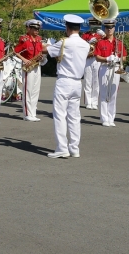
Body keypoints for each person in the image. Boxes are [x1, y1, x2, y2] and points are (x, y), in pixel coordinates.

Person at [46, 14, 90, 158]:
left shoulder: (64, 42)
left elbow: (47, 51)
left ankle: (62, 148)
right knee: (74, 117)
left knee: (60, 115)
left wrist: (48, 44)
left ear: (67, 28)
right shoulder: (86, 44)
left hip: (64, 81)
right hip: (78, 82)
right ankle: (74, 148)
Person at [94, 19, 127, 127]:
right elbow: (97, 57)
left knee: (113, 93)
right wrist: (107, 58)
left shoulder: (119, 42)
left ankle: (111, 117)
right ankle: (104, 118)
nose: (109, 29)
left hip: (116, 67)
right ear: (104, 28)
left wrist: (118, 59)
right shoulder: (100, 42)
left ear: (114, 28)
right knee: (103, 93)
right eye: (107, 27)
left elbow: (125, 57)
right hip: (105, 67)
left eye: (111, 27)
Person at [14, 19, 47, 122]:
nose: (37, 30)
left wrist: (41, 58)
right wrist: (24, 60)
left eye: (38, 29)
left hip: (37, 65)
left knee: (36, 90)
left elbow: (40, 52)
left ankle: (33, 112)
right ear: (28, 28)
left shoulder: (39, 39)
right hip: (28, 66)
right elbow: (15, 52)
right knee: (28, 90)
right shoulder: (24, 39)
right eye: (34, 28)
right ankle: (27, 113)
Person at [81, 18, 104, 110]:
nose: (93, 26)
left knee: (96, 81)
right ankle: (88, 101)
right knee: (87, 80)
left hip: (97, 58)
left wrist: (102, 36)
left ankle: (94, 101)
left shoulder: (101, 35)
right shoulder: (86, 35)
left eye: (96, 24)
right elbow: (81, 46)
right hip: (88, 58)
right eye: (92, 24)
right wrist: (88, 43)